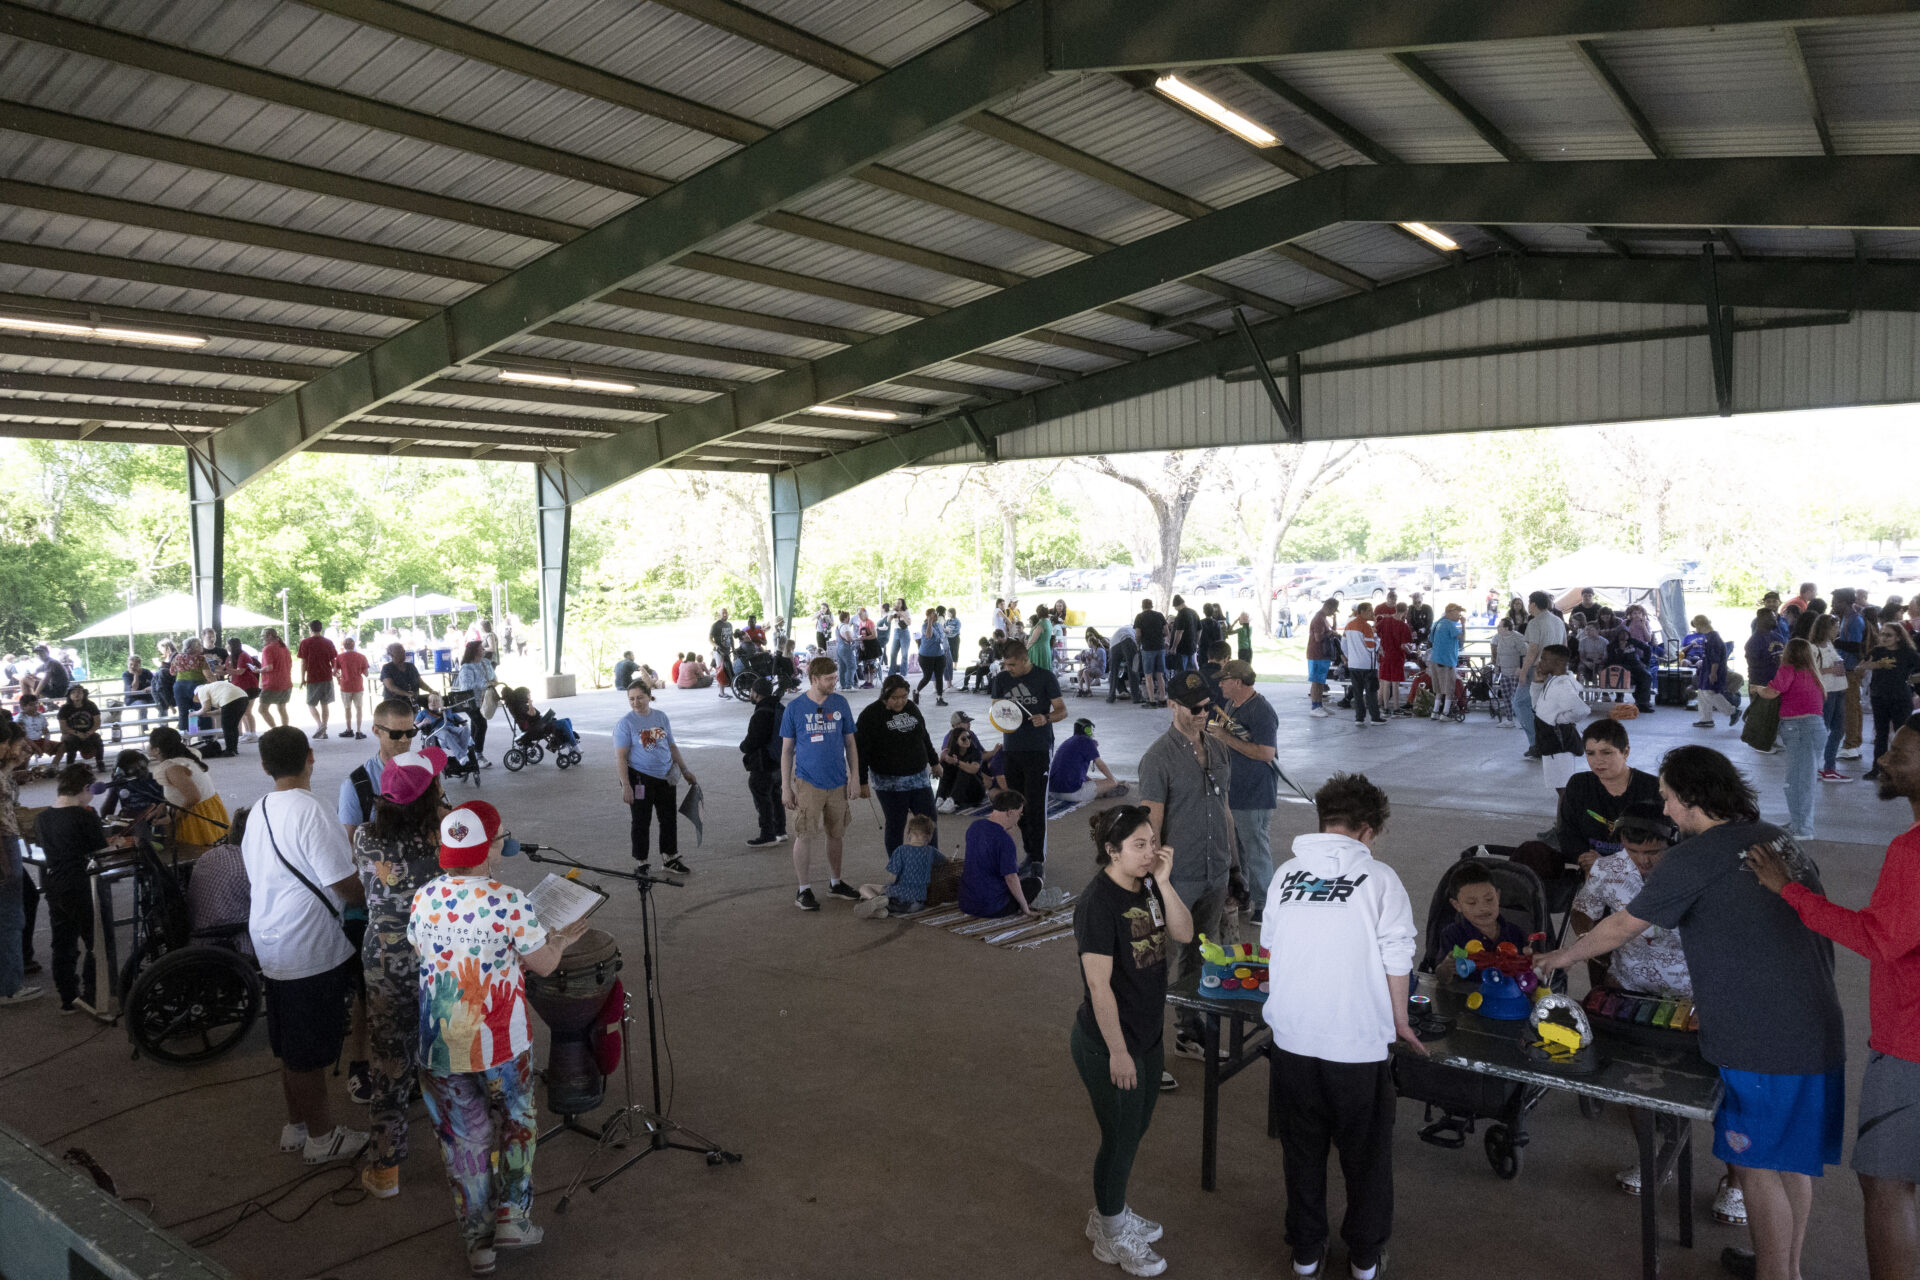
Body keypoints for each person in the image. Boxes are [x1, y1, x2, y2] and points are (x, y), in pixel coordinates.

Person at [1533, 746, 1845, 1280]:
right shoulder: (1774, 837)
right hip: (1814, 1022)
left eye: (1670, 798)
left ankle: (1776, 1274)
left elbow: (1621, 926)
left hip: (1760, 1034)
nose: (1668, 810)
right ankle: (1785, 1268)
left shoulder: (1695, 856)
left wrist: (1558, 957)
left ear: (1693, 798)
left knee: (1755, 1166)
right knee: (1789, 1159)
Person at [1747, 713, 1920, 1280]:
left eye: (1900, 753)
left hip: (1911, 1043)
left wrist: (1789, 890)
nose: (1884, 759)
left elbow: (1879, 938)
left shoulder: (1912, 851)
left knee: (1886, 1182)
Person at [410, 801, 587, 1275]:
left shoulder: (425, 896)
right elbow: (543, 964)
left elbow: (419, 945)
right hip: (500, 1042)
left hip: (440, 1043)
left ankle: (479, 1244)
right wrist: (561, 941)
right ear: (487, 847)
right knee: (516, 1121)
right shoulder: (509, 900)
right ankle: (513, 1215)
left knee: (462, 1140)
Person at [1260, 772, 1423, 1280]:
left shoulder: (1285, 873)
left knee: (1302, 1150)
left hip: (1292, 1040)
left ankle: (1306, 1253)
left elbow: (1269, 945)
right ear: (1369, 829)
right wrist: (1400, 1019)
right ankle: (1364, 1258)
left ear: (1323, 820)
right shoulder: (1380, 880)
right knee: (1366, 1157)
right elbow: (1397, 953)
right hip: (1356, 1046)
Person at [1072, 804, 1195, 1277]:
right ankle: (1110, 1232)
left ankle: (1109, 1215)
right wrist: (1118, 1052)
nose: (1150, 853)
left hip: (1146, 1034)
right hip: (1108, 1043)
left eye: (1152, 842)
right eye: (1139, 846)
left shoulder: (1146, 884)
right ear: (1111, 851)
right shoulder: (1097, 904)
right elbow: (1099, 987)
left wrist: (1163, 881)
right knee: (1120, 1139)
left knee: (1135, 1130)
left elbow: (1182, 932)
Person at [240, 725, 370, 1165]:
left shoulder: (259, 809)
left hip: (271, 938)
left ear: (263, 766)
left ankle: (297, 1126)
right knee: (309, 1051)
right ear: (310, 756)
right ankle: (322, 1137)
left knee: (290, 1044)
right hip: (307, 943)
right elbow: (343, 883)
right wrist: (380, 888)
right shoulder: (312, 810)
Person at [352, 744, 449, 1199]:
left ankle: (386, 1170)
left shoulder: (365, 840)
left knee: (389, 1066)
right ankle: (473, 1157)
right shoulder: (444, 837)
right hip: (441, 960)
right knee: (455, 1060)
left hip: (385, 962)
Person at [1140, 670, 1237, 1061]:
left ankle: (1189, 1034)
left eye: (1207, 707)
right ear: (1172, 705)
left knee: (1203, 956)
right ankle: (1146, 1050)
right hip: (1177, 878)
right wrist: (1150, 881)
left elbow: (1225, 810)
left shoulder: (1218, 749)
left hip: (1215, 872)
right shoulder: (1157, 759)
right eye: (1194, 708)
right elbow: (1151, 827)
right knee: (1158, 962)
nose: (1202, 714)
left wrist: (1236, 866)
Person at [36, 763, 118, 1013]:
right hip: (82, 884)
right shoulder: (85, 815)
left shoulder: (42, 817)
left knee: (63, 942)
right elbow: (100, 851)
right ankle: (93, 994)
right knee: (96, 941)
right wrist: (113, 845)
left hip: (54, 883)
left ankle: (67, 996)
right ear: (84, 788)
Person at [781, 656, 861, 912]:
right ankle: (803, 889)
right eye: (829, 679)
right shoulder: (794, 708)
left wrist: (855, 776)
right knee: (804, 834)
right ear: (814, 679)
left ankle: (835, 883)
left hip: (838, 781)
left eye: (835, 677)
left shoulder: (840, 703)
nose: (834, 682)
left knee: (836, 833)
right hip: (808, 782)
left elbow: (850, 743)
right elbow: (786, 751)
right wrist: (786, 786)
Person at [988, 639, 1067, 882]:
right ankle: (1028, 852)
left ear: (1025, 660)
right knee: (1016, 805)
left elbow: (1062, 710)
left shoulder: (1045, 677)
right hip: (1012, 750)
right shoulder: (1001, 680)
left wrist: (1046, 718)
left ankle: (1037, 860)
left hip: (1038, 749)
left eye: (1012, 664)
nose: (1008, 669)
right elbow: (996, 711)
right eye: (1005, 664)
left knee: (1035, 806)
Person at [1556, 719, 1662, 871]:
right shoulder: (1579, 784)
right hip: (1590, 869)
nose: (1598, 760)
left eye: (1606, 752)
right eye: (1590, 753)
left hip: (1640, 872)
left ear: (1625, 752)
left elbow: (1664, 844)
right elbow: (1567, 833)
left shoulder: (1653, 788)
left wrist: (1610, 865)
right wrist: (1585, 858)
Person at [613, 683, 696, 877]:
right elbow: (621, 757)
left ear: (649, 697)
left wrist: (684, 770)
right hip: (640, 779)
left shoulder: (661, 717)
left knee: (668, 818)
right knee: (641, 821)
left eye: (639, 697)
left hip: (665, 777)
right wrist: (626, 785)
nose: (635, 702)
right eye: (631, 699)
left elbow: (671, 745)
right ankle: (642, 862)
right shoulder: (625, 723)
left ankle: (670, 858)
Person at [856, 675, 942, 856]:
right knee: (896, 824)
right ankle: (898, 868)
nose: (900, 701)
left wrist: (934, 762)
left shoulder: (911, 707)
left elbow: (923, 736)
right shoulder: (870, 715)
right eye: (895, 698)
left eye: (904, 696)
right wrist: (861, 781)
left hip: (918, 777)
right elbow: (861, 752)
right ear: (885, 695)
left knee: (928, 821)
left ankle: (932, 865)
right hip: (889, 782)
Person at [1753, 639, 1827, 839]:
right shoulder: (1812, 672)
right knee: (1799, 779)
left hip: (1800, 730)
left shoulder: (1788, 670)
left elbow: (1772, 692)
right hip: (1811, 729)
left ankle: (1803, 828)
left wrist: (1758, 689)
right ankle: (1797, 822)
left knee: (1799, 781)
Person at [340, 699, 424, 843]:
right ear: (376, 731)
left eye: (410, 732)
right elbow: (349, 844)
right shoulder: (356, 784)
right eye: (396, 734)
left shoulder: (425, 773)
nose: (405, 740)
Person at [0, 725, 37, 1006]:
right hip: (4, 845)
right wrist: (6, 866)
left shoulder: (5, 772)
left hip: (8, 842)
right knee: (9, 917)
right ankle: (9, 986)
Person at [957, 790, 1038, 918]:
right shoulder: (1004, 840)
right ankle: (1033, 901)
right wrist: (1025, 907)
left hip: (966, 903)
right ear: (1010, 812)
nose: (1019, 818)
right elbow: (1010, 877)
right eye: (1019, 814)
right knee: (1035, 883)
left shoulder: (974, 826)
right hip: (992, 908)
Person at [148, 726, 232, 845]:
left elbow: (193, 797)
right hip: (205, 808)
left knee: (195, 851)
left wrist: (172, 818)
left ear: (156, 750)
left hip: (195, 816)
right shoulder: (185, 757)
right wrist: (162, 806)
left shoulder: (172, 767)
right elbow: (179, 793)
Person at [854, 812, 947, 919]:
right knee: (888, 896)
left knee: (864, 888)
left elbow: (892, 879)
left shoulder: (900, 851)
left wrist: (887, 888)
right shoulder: (932, 852)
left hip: (896, 898)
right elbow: (945, 861)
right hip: (917, 904)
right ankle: (881, 909)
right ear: (929, 837)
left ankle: (876, 901)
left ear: (909, 834)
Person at [1515, 591, 1568, 757]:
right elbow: (1564, 645)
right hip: (1554, 669)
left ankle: (1537, 742)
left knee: (1520, 703)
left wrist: (1523, 671)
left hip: (1538, 670)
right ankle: (1550, 741)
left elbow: (1533, 650)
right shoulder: (1558, 621)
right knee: (1545, 707)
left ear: (1533, 604)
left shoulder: (1535, 622)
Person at [1864, 624, 1920, 781]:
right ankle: (1878, 768)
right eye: (1882, 634)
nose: (1884, 638)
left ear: (1898, 637)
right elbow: (1860, 667)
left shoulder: (1908, 653)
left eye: (1888, 635)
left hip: (1900, 698)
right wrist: (1877, 664)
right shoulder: (1877, 652)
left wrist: (1911, 679)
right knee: (1880, 735)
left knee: (1901, 735)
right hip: (1879, 697)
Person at [1532, 645, 1589, 798]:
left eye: (1544, 658)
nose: (1540, 662)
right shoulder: (1554, 681)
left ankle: (1564, 822)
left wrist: (1561, 720)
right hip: (1550, 741)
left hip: (1559, 742)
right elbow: (1536, 707)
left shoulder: (1562, 686)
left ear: (1557, 662)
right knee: (1560, 788)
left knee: (1564, 789)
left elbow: (1582, 710)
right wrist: (1537, 684)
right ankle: (1563, 821)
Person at [1437, 863, 1533, 952]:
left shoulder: (1516, 933)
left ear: (1498, 896)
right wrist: (1446, 968)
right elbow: (1441, 969)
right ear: (1457, 905)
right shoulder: (1452, 935)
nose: (1483, 908)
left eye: (1489, 899)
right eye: (1472, 903)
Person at [1048, 717, 1123, 802]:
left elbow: (1071, 769)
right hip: (1071, 793)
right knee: (1111, 782)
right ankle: (1105, 792)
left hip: (1053, 791)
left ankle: (1099, 790)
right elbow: (1100, 764)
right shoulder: (1087, 741)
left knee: (1092, 780)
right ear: (1087, 729)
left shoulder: (1067, 742)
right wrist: (1113, 780)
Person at [449, 640, 495, 765]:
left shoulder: (486, 662)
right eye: (481, 648)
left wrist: (493, 682)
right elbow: (466, 686)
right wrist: (484, 684)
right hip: (471, 702)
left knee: (476, 725)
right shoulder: (466, 667)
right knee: (481, 725)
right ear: (474, 651)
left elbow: (492, 676)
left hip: (485, 700)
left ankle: (472, 751)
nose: (484, 650)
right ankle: (478, 755)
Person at [1690, 615, 1736, 730]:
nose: (1696, 629)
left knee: (1709, 692)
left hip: (1713, 670)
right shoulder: (1709, 637)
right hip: (1706, 669)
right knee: (1702, 692)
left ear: (1701, 625)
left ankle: (1732, 711)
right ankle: (1706, 719)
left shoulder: (1713, 639)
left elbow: (1715, 659)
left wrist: (1713, 673)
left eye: (1696, 626)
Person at [1341, 602, 1383, 726]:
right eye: (1370, 611)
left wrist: (1350, 657)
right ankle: (1375, 717)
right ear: (1362, 612)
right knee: (1371, 692)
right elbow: (1371, 647)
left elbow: (1343, 645)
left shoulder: (1349, 625)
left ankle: (1359, 718)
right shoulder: (1366, 627)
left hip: (1354, 664)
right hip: (1367, 665)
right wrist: (1376, 637)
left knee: (1357, 693)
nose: (1372, 613)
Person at [296, 621, 338, 740]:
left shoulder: (305, 642)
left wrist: (302, 678)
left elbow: (303, 662)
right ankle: (324, 728)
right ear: (321, 629)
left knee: (311, 703)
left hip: (313, 677)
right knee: (325, 704)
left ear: (310, 629)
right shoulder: (328, 642)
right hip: (326, 676)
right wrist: (334, 670)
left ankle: (320, 725)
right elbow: (333, 659)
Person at [191, 675, 251, 757]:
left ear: (196, 694)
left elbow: (205, 708)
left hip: (230, 699)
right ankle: (233, 749)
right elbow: (224, 710)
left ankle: (229, 750)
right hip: (243, 697)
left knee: (227, 727)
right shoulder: (214, 688)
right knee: (233, 726)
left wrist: (194, 713)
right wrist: (209, 714)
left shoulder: (201, 691)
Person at [937, 712, 986, 812]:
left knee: (965, 768)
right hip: (958, 788)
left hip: (974, 791)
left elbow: (974, 768)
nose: (968, 740)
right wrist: (946, 759)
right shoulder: (950, 741)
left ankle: (952, 800)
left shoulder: (974, 750)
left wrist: (957, 762)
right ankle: (940, 797)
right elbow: (943, 755)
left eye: (969, 738)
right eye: (964, 739)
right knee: (945, 766)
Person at [170, 637, 214, 742]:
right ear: (195, 647)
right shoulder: (200, 658)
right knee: (203, 711)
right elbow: (208, 675)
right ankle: (206, 739)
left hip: (179, 687)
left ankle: (184, 740)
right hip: (197, 687)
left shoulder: (177, 657)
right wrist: (216, 684)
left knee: (184, 713)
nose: (201, 647)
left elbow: (172, 672)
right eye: (199, 645)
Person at [1428, 602, 1465, 721]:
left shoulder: (1437, 623)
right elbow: (1462, 638)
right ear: (1450, 612)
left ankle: (1435, 711)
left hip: (1435, 659)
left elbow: (1431, 639)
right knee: (1449, 688)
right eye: (1457, 612)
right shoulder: (1449, 625)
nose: (1459, 615)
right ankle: (1445, 713)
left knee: (1438, 688)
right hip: (1447, 661)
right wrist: (1464, 625)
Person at [1373, 604, 1412, 714]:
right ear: (1405, 611)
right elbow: (1403, 646)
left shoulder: (1385, 621)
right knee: (1395, 683)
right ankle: (1396, 707)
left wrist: (1379, 647)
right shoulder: (1403, 626)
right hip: (1397, 657)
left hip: (1385, 655)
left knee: (1385, 682)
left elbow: (1374, 630)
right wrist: (1410, 651)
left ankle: (1385, 708)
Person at [1134, 598, 1170, 708]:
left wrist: (1138, 644)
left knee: (1148, 675)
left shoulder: (1139, 617)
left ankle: (1152, 701)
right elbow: (1166, 631)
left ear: (1142, 606)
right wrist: (1160, 638)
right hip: (1160, 647)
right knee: (1160, 674)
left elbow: (1138, 634)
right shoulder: (1159, 615)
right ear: (1152, 605)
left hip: (1147, 648)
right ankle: (1162, 699)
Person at [335, 638, 371, 741]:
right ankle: (358, 731)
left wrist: (339, 678)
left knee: (347, 708)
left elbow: (335, 672)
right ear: (354, 645)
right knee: (359, 708)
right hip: (358, 685)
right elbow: (366, 673)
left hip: (345, 686)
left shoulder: (340, 657)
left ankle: (349, 729)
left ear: (344, 646)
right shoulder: (361, 657)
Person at [256, 629, 292, 729]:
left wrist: (258, 670)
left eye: (263, 636)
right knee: (282, 708)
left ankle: (275, 730)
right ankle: (285, 731)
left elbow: (269, 667)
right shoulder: (284, 648)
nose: (262, 638)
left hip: (272, 684)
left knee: (262, 709)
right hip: (286, 683)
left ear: (269, 636)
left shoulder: (268, 649)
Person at [915, 608, 952, 705]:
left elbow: (942, 633)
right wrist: (929, 622)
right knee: (927, 677)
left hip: (939, 655)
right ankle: (916, 692)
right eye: (933, 615)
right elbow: (928, 635)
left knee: (939, 676)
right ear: (928, 616)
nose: (936, 616)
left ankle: (939, 698)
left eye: (936, 614)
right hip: (926, 656)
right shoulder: (924, 626)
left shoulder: (938, 625)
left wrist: (947, 630)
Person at [15, 694, 55, 764]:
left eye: (37, 703)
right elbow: (24, 737)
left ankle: (54, 766)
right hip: (26, 743)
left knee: (62, 746)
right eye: (31, 705)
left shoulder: (41, 716)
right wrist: (37, 748)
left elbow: (46, 732)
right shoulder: (20, 719)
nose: (35, 706)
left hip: (39, 741)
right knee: (25, 754)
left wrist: (46, 741)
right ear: (23, 707)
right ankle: (24, 770)